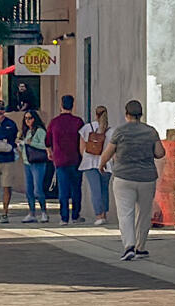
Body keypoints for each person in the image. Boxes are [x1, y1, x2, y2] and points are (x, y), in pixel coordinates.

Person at [101, 100, 164, 261]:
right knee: (143, 214)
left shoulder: (120, 131)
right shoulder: (150, 131)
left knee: (125, 213)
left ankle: (129, 246)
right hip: (146, 178)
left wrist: (101, 164)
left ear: (126, 114)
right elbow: (160, 153)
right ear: (141, 115)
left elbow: (108, 152)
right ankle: (140, 247)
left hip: (123, 177)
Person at [47, 95, 86, 224]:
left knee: (63, 190)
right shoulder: (78, 122)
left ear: (61, 105)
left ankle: (64, 217)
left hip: (60, 159)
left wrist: (50, 153)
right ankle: (75, 215)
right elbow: (83, 140)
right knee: (76, 189)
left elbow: (47, 141)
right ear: (72, 105)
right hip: (76, 159)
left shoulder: (54, 122)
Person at [19, 109, 52, 223]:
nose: (27, 121)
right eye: (26, 118)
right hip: (27, 162)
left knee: (38, 189)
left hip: (38, 162)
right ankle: (31, 212)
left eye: (30, 118)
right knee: (29, 190)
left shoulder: (40, 131)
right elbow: (25, 147)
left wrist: (30, 143)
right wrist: (21, 145)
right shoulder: (27, 131)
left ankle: (44, 212)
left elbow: (44, 145)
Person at [81, 105, 111, 226]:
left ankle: (98, 215)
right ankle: (104, 214)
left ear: (95, 115)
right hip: (106, 164)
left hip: (90, 163)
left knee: (95, 190)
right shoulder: (111, 130)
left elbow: (82, 147)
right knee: (104, 190)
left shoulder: (87, 128)